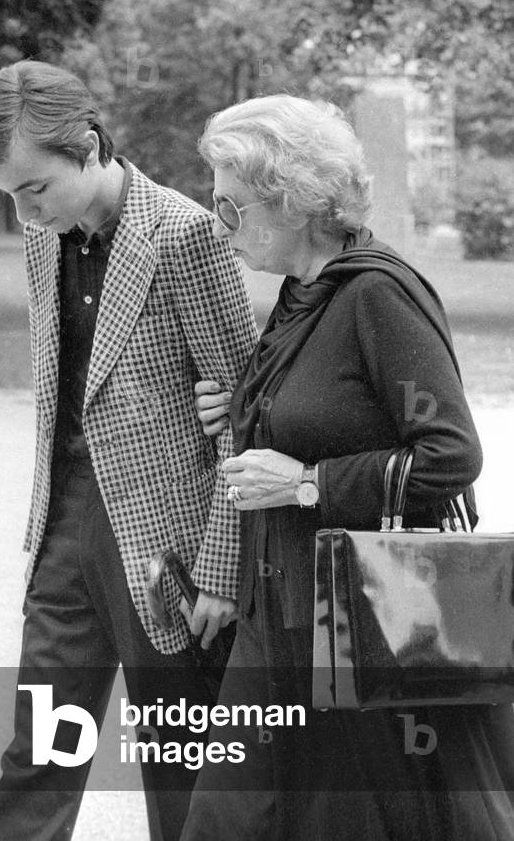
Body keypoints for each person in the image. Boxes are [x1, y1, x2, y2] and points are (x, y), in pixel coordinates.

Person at [180, 93, 514, 840]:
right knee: (223, 819)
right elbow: (322, 409)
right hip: (278, 611)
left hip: (357, 617)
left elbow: (450, 454)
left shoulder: (377, 293)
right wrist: (241, 409)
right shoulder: (301, 294)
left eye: (231, 207)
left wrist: (304, 483)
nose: (219, 226)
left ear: (291, 200)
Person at [0, 61, 258, 841]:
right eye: (11, 198)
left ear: (88, 146)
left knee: (180, 766)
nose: (26, 214)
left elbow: (246, 415)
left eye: (34, 190)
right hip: (64, 531)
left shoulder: (186, 234)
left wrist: (222, 571)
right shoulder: (43, 239)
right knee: (36, 754)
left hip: (172, 550)